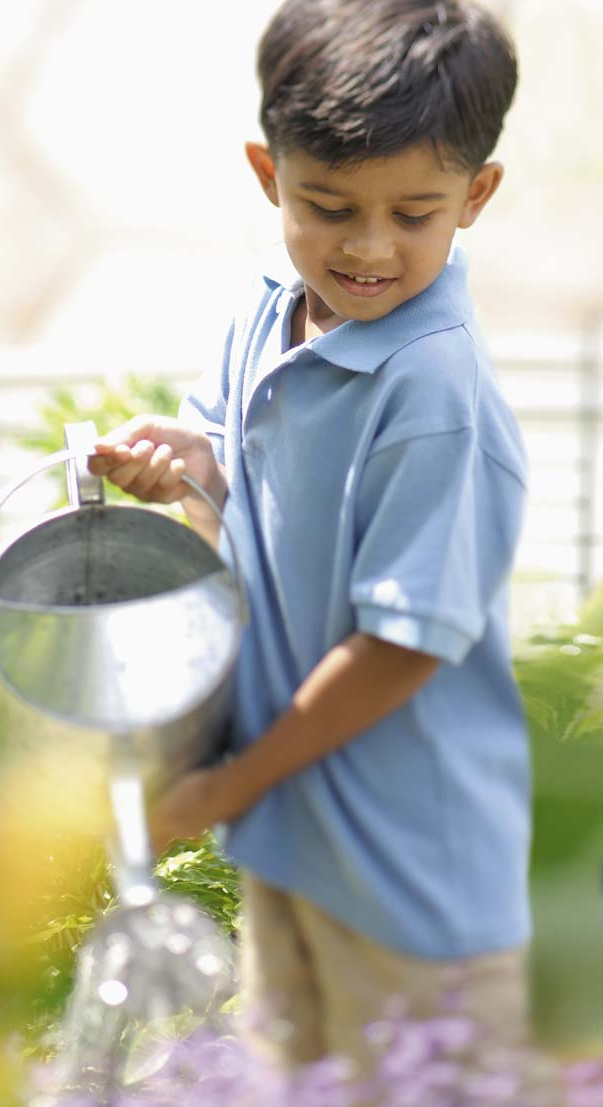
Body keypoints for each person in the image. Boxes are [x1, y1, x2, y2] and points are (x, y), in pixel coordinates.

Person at [89, 0, 533, 1073]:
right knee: (299, 1082)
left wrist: (220, 788)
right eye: (327, 206)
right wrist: (192, 465)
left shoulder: (434, 396)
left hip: (413, 876)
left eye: (414, 213)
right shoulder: (268, 312)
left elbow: (401, 646)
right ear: (266, 172)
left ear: (475, 195)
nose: (368, 249)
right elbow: (239, 482)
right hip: (298, 837)